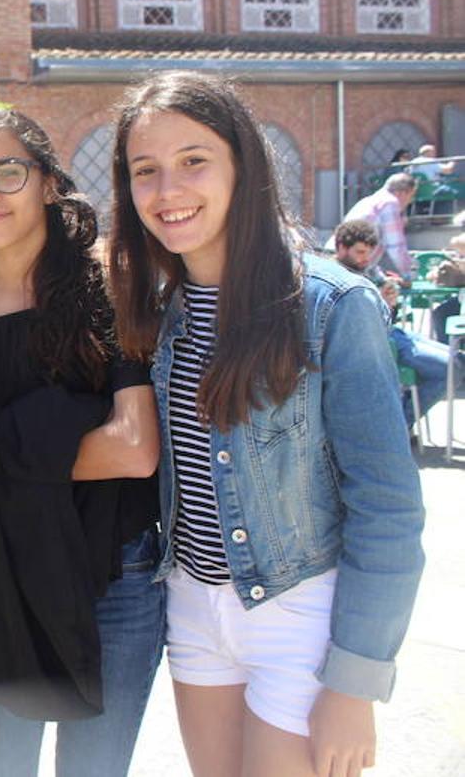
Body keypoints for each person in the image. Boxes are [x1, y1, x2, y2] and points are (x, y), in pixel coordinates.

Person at [108, 70, 425, 777]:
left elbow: (389, 504)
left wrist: (355, 678)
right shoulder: (158, 313)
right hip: (194, 604)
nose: (168, 192)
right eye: (145, 171)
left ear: (240, 165)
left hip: (301, 612)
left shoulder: (331, 307)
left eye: (194, 162)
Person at [0, 103, 163, 777]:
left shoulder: (111, 289)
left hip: (115, 577)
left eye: (7, 173)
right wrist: (60, 427)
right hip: (0, 575)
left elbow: (135, 449)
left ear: (48, 181)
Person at [331, 218, 462, 428]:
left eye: (368, 253)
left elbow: (388, 313)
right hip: (376, 344)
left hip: (393, 333)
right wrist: (378, 304)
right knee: (450, 369)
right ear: (341, 248)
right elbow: (348, 324)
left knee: (458, 360)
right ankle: (398, 425)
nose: (365, 259)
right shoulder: (332, 278)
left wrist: (390, 303)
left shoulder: (371, 270)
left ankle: (399, 416)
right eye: (360, 252)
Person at [337, 172, 415, 282]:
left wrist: (381, 278)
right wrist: (409, 274)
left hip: (340, 261)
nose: (410, 201)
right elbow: (396, 246)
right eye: (411, 196)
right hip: (348, 267)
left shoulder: (368, 201)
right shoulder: (390, 203)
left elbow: (367, 258)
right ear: (402, 193)